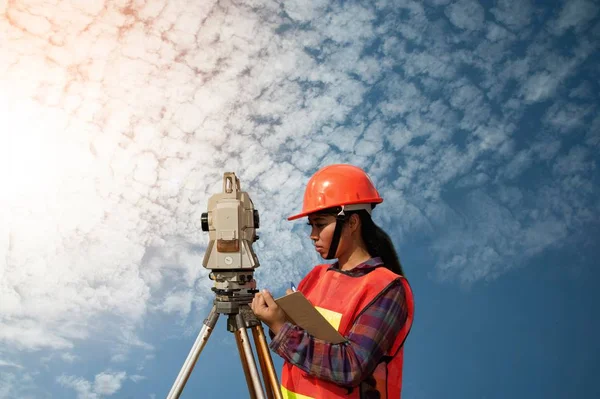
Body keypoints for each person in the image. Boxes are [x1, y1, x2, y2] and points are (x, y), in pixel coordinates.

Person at [251, 164, 415, 399]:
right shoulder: (317, 276)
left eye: (320, 224)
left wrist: (281, 328)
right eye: (311, 225)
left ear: (352, 223)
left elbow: (352, 367)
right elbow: (303, 347)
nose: (312, 234)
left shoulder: (386, 288)